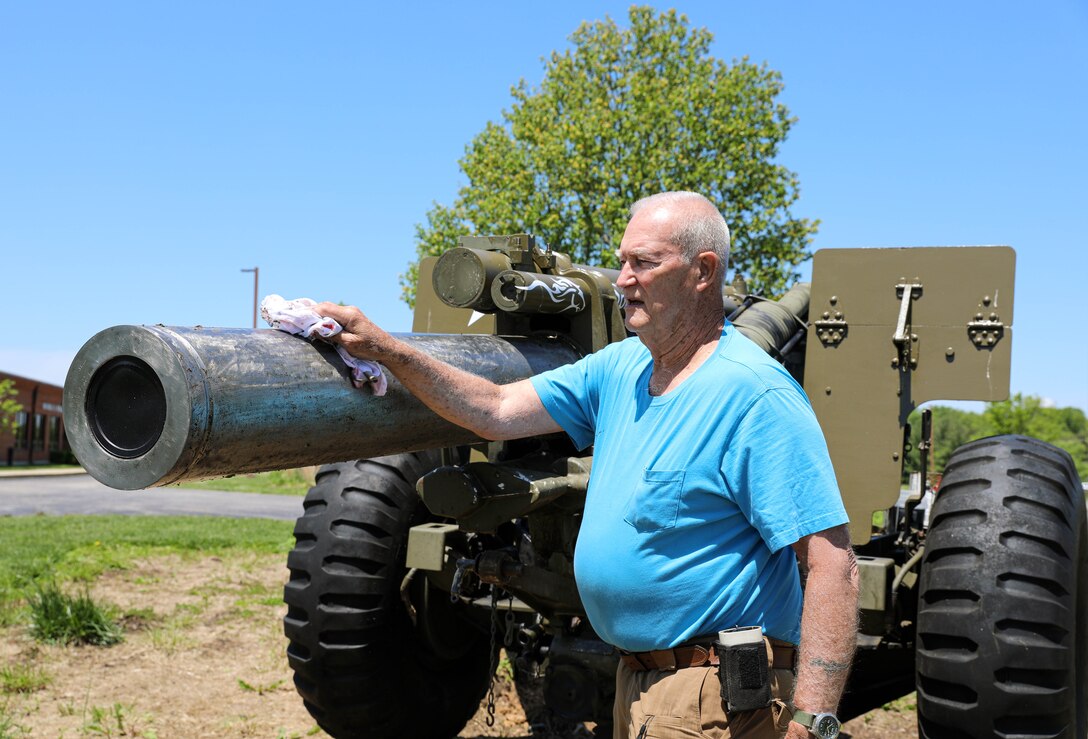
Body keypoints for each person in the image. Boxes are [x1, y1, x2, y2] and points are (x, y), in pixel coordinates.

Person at [316, 191, 859, 739]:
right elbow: (495, 410)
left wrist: (813, 721)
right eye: (622, 261)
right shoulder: (622, 368)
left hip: (716, 696)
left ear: (703, 271)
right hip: (638, 681)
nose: (623, 278)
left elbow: (833, 565)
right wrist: (387, 349)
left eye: (643, 263)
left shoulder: (754, 395)